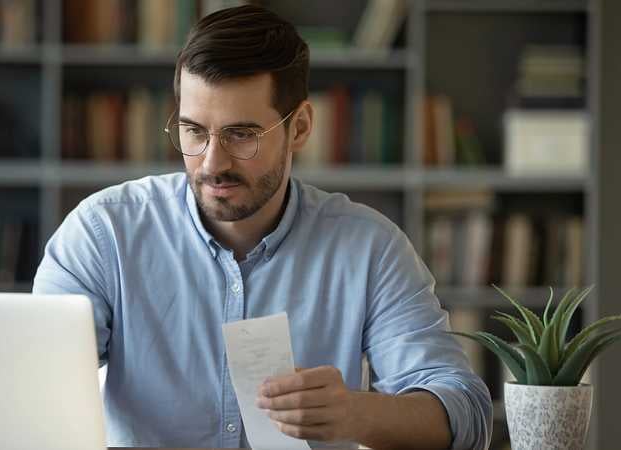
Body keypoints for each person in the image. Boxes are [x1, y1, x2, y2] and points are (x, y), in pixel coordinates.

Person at [33, 5, 491, 450]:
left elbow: (466, 413)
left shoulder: (370, 248)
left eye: (241, 135)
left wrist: (356, 413)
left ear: (301, 128)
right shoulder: (103, 233)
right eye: (194, 131)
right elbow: (29, 387)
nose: (212, 163)